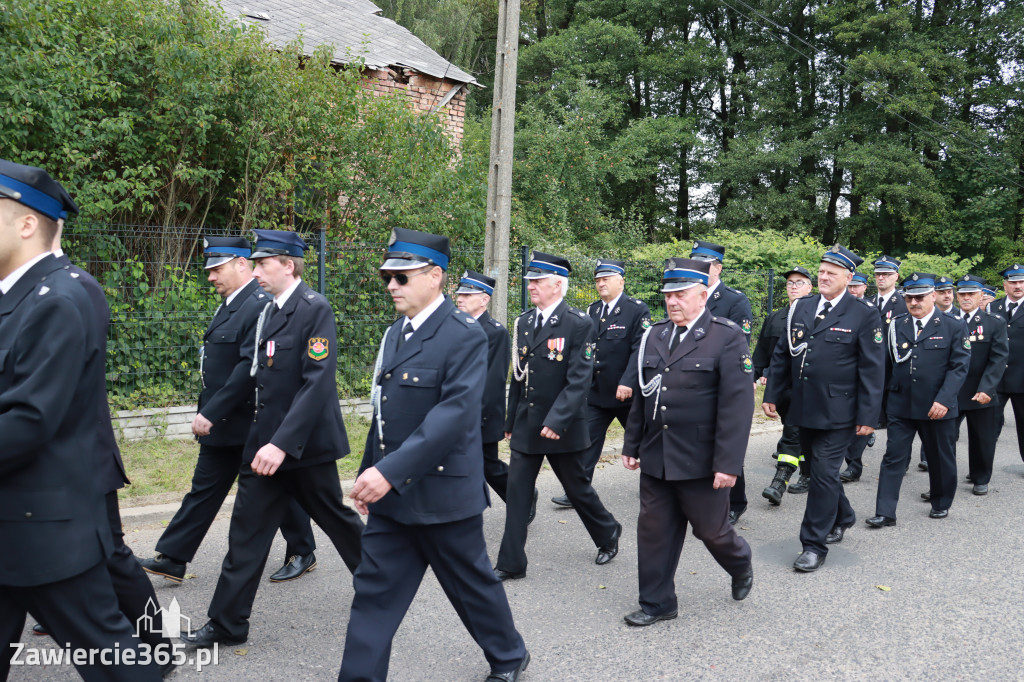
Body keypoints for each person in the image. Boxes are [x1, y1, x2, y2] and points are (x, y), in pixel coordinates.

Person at [339, 228, 529, 682]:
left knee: (472, 588)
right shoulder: (395, 333)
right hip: (391, 499)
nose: (391, 285)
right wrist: (371, 474)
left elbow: (453, 416)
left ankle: (508, 656)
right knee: (373, 597)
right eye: (388, 276)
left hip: (444, 497)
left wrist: (386, 473)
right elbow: (384, 416)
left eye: (401, 277)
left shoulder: (464, 335)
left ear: (435, 277)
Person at [0, 160, 160, 680]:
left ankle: (159, 644)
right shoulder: (18, 295)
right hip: (20, 517)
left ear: (27, 223)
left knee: (118, 666)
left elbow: (28, 417)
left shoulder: (61, 297)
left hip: (42, 526)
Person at [183, 229, 364, 648]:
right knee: (245, 534)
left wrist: (281, 443)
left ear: (288, 264)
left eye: (264, 263)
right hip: (263, 446)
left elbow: (316, 383)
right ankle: (227, 624)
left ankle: (380, 582)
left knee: (336, 520)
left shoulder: (314, 308)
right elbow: (259, 378)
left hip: (304, 448)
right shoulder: (268, 311)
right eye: (257, 263)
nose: (258, 270)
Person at [27, 210, 175, 662]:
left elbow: (69, 384)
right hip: (41, 460)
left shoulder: (76, 287)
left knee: (110, 554)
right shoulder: (30, 289)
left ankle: (157, 645)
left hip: (81, 458)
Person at [139, 237, 318, 586]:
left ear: (241, 264)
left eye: (217, 269)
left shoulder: (260, 305)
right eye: (209, 270)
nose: (211, 277)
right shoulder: (232, 303)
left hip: (248, 420)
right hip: (224, 422)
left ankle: (302, 549)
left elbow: (247, 369)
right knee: (204, 489)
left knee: (277, 487)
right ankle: (173, 558)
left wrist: (211, 411)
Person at [620, 258, 754, 627]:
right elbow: (643, 398)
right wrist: (632, 445)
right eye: (668, 295)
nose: (672, 301)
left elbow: (737, 407)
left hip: (701, 459)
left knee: (711, 531)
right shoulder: (657, 334)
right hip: (658, 455)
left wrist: (728, 465)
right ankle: (657, 603)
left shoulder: (726, 336)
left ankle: (740, 561)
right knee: (653, 531)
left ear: (701, 294)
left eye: (680, 294)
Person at [494, 252, 622, 580]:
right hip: (527, 424)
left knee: (577, 488)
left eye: (537, 281)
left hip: (561, 426)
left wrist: (557, 420)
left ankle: (608, 531)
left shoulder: (579, 323)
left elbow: (580, 379)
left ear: (557, 284)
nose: (531, 286)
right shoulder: (524, 321)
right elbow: (518, 377)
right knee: (518, 492)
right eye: (530, 281)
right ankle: (511, 563)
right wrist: (510, 422)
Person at [763, 245, 884, 572]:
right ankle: (844, 515)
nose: (824, 276)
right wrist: (772, 393)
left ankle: (813, 544)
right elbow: (782, 354)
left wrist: (869, 416)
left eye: (832, 272)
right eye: (822, 271)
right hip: (803, 407)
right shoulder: (801, 307)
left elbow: (873, 369)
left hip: (840, 411)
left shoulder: (863, 313)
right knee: (820, 472)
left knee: (823, 474)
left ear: (849, 277)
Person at [867, 273, 969, 527]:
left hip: (937, 406)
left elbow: (959, 367)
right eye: (910, 298)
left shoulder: (952, 325)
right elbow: (886, 366)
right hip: (901, 405)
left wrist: (944, 400)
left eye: (920, 297)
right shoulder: (896, 325)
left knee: (939, 457)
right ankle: (885, 511)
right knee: (893, 457)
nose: (914, 302)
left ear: (933, 296)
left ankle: (941, 501)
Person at [551, 258, 651, 508]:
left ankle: (654, 487)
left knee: (642, 441)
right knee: (586, 441)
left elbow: (640, 350)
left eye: (606, 279)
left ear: (621, 280)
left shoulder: (636, 309)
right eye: (597, 280)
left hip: (626, 393)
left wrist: (628, 382)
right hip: (596, 392)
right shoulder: (593, 310)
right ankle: (578, 491)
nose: (600, 284)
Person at [455, 269, 537, 522]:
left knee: (489, 467)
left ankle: (523, 495)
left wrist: (473, 415)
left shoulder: (494, 332)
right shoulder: (455, 326)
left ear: (484, 299)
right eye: (459, 293)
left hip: (481, 415)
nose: (460, 298)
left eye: (468, 294)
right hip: (456, 411)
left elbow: (492, 381)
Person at [690, 240, 753, 524]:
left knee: (725, 438)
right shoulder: (689, 295)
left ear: (718, 268)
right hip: (690, 379)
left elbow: (741, 344)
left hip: (720, 379)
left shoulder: (734, 300)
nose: (699, 269)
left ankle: (736, 501)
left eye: (704, 264)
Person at [841, 256, 905, 482]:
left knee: (898, 423)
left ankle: (898, 462)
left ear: (896, 276)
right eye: (878, 274)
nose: (881, 278)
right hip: (866, 373)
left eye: (886, 274)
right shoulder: (865, 304)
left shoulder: (906, 303)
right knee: (861, 416)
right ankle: (853, 465)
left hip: (895, 372)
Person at [755, 266, 813, 505]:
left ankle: (779, 482)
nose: (793, 287)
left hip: (810, 389)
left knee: (792, 433)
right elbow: (761, 356)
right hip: (784, 391)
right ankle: (810, 473)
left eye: (799, 282)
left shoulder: (819, 315)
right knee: (802, 434)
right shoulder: (776, 318)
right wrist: (752, 381)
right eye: (790, 283)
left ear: (810, 287)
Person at [947, 275, 1008, 495]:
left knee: (983, 438)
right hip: (950, 391)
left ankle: (980, 477)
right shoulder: (945, 320)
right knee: (944, 439)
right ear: (956, 296)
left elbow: (998, 359)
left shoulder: (995, 323)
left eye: (971, 294)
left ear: (981, 295)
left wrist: (987, 389)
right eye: (962, 294)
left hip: (980, 390)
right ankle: (944, 480)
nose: (965, 298)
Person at [990, 264, 1024, 466]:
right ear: (1005, 285)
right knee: (987, 427)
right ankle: (981, 469)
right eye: (1013, 282)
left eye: (1021, 282)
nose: (1018, 286)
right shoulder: (993, 308)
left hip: (1022, 379)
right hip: (996, 380)